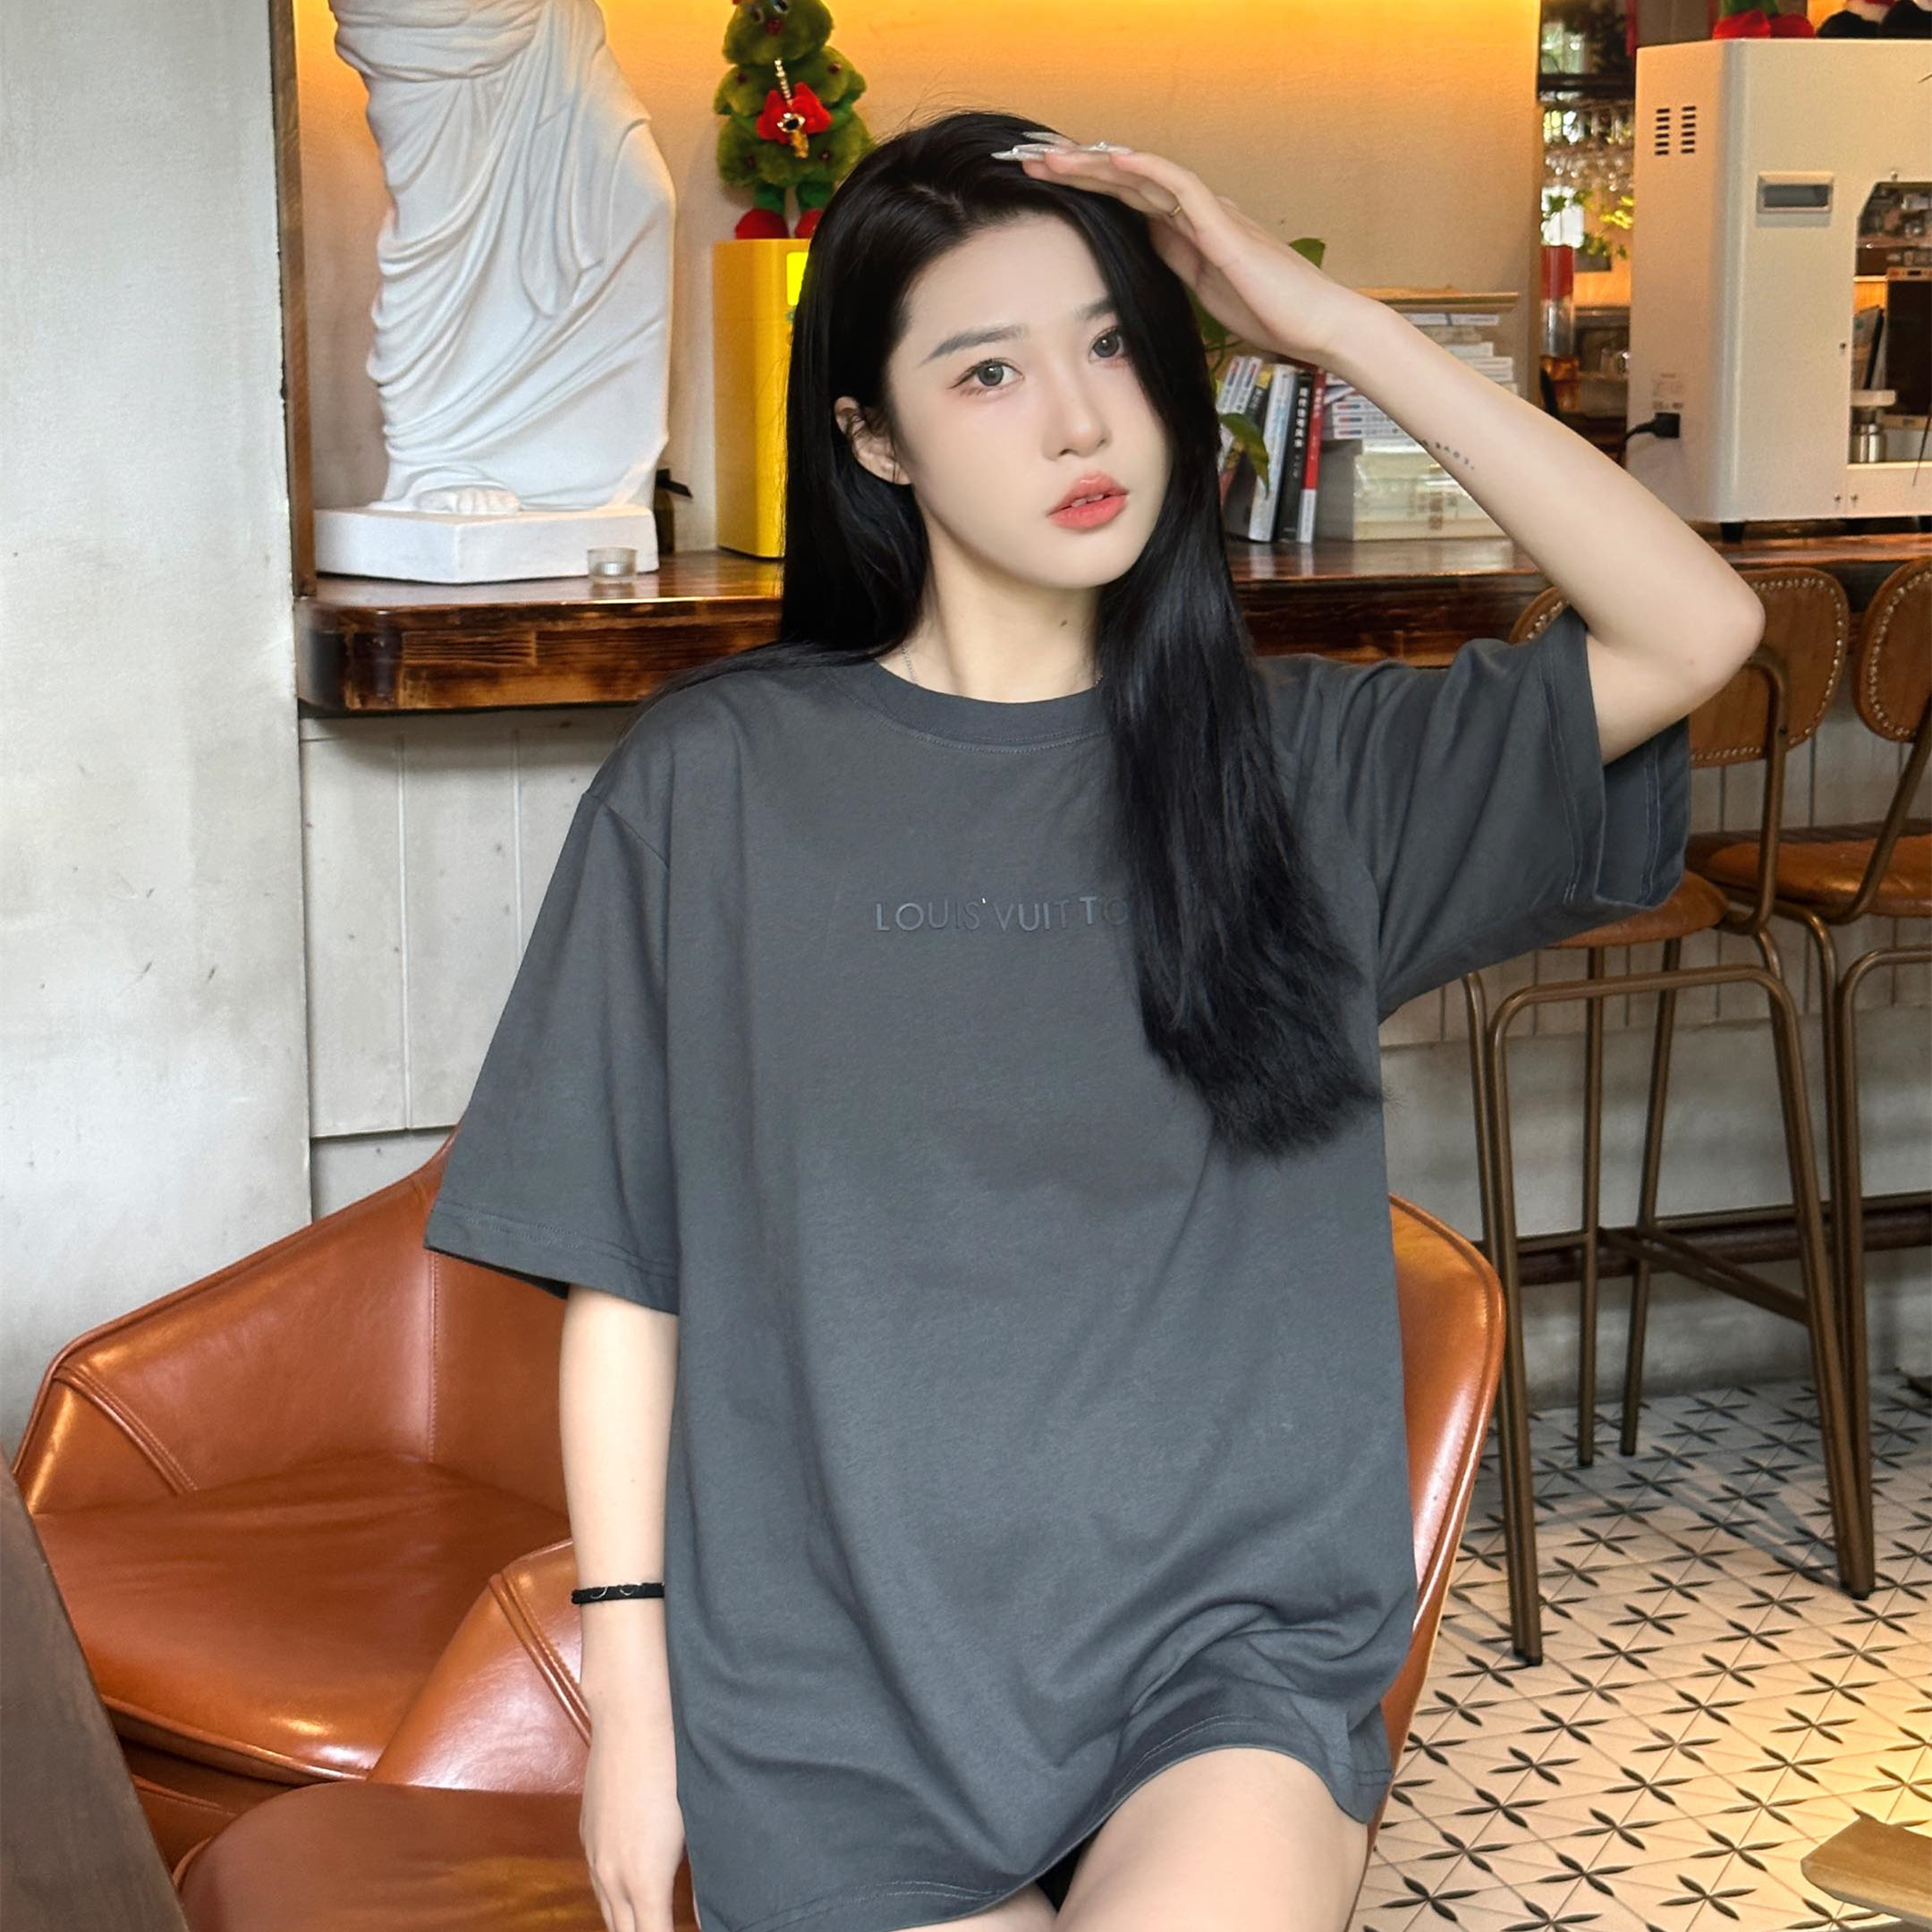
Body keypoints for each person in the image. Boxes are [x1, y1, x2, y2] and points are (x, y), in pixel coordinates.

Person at [419, 108, 1761, 1932]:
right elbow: (627, 1282)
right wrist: (636, 1716)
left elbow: (1694, 625)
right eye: (989, 370)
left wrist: (1325, 325)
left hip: (1223, 1660)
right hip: (832, 1693)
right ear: (872, 437)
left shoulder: (1305, 768)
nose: (1080, 420)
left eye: (1115, 346)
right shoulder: (714, 785)